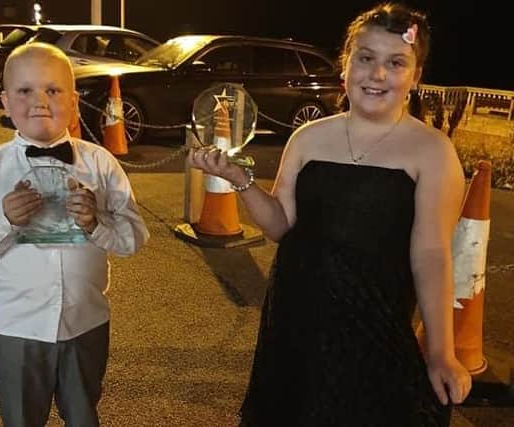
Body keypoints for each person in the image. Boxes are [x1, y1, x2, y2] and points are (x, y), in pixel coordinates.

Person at [189, 3, 471, 426]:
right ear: (345, 67)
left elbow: (431, 255)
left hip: (372, 324)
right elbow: (281, 225)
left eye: (396, 63)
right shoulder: (308, 138)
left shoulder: (432, 152)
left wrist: (441, 354)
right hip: (294, 320)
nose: (377, 75)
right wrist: (238, 179)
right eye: (365, 58)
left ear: (415, 77)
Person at [0, 42, 149, 427]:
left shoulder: (100, 163)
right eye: (25, 91)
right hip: (17, 326)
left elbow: (135, 237)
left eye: (53, 90)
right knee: (22, 417)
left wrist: (96, 224)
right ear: (5, 102)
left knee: (83, 414)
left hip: (86, 322)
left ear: (74, 102)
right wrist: (4, 221)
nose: (40, 101)